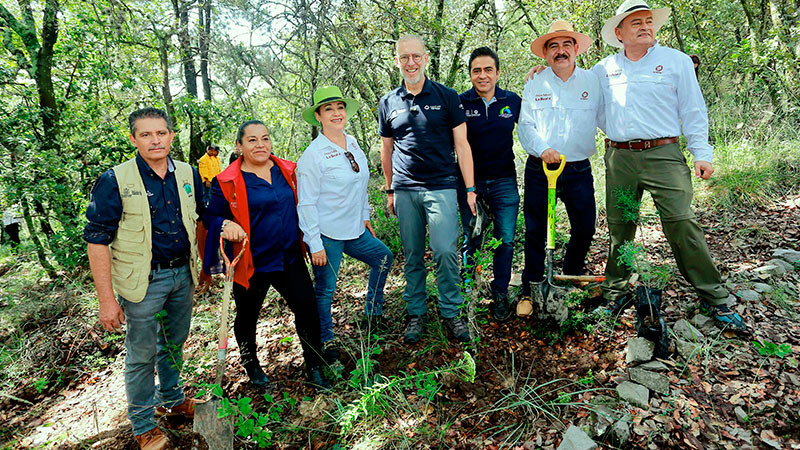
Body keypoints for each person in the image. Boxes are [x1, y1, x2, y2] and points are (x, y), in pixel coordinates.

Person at [593, 0, 745, 331]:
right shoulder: (603, 70)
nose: (645, 26)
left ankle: (714, 296)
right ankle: (616, 291)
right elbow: (584, 101)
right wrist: (543, 74)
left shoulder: (675, 62)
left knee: (681, 223)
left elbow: (693, 110)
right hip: (619, 158)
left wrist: (702, 152)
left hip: (665, 155)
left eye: (649, 21)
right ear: (619, 33)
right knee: (621, 228)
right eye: (636, 23)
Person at [84, 107, 204, 450]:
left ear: (170, 135)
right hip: (143, 282)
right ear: (134, 138)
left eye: (161, 133)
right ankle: (143, 424)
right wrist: (106, 300)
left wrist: (204, 265)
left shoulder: (187, 172)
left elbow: (200, 219)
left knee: (174, 342)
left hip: (183, 274)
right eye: (146, 134)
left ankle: (172, 397)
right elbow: (97, 240)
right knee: (141, 355)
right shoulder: (115, 180)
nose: (155, 140)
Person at [202, 120, 329, 391]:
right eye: (252, 140)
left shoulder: (289, 171)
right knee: (248, 316)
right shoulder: (226, 181)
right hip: (251, 261)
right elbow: (210, 216)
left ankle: (315, 365)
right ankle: (252, 366)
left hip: (289, 257)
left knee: (307, 309)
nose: (260, 145)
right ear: (239, 146)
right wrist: (226, 225)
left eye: (265, 138)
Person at [379, 34, 478, 344]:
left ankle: (451, 312)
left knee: (446, 251)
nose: (411, 62)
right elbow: (387, 150)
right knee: (411, 255)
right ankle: (416, 312)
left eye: (416, 56)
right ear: (397, 61)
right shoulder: (388, 102)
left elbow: (462, 145)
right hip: (406, 189)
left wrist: (471, 189)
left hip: (442, 186)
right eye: (404, 57)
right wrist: (390, 189)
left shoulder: (447, 96)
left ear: (426, 58)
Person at [297, 86, 394, 361]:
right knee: (326, 289)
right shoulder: (313, 156)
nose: (336, 113)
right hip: (327, 234)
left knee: (383, 258)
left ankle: (372, 314)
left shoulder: (351, 143)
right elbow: (305, 204)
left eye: (340, 108)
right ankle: (325, 340)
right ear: (318, 116)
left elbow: (360, 182)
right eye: (329, 109)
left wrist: (365, 215)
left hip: (354, 229)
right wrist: (314, 244)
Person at [517, 20, 602, 317]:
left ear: (576, 48)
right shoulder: (534, 82)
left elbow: (609, 117)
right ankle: (531, 287)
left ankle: (570, 275)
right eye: (554, 46)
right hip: (541, 169)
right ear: (545, 54)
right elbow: (525, 125)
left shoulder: (594, 81)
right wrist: (543, 150)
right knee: (536, 230)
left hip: (578, 169)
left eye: (566, 44)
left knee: (585, 227)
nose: (561, 51)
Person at [457, 47, 521, 321]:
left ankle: (500, 292)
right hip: (470, 184)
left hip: (504, 180)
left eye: (488, 70)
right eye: (476, 70)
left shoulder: (513, 100)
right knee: (472, 238)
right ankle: (467, 291)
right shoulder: (459, 103)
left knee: (504, 240)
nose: (482, 75)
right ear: (470, 74)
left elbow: (535, 126)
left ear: (497, 72)